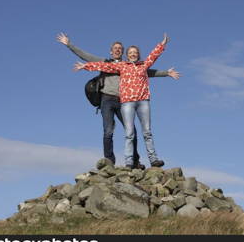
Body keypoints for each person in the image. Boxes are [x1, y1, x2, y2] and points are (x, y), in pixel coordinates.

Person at [57, 33, 179, 168]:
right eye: (115, 48)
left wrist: (166, 73)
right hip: (107, 99)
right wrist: (70, 45)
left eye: (120, 48)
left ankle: (135, 161)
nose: (117, 50)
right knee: (108, 131)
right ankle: (109, 162)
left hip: (123, 100)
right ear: (111, 51)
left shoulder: (129, 65)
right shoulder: (107, 63)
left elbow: (147, 71)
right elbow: (87, 57)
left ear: (123, 52)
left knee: (131, 131)